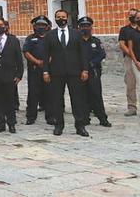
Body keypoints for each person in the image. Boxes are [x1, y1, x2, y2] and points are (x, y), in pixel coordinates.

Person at [42, 9, 90, 137]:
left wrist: (85, 69)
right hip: (56, 72)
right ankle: (59, 125)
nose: (61, 19)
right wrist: (45, 71)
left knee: (77, 99)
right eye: (58, 17)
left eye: (63, 17)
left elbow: (83, 53)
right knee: (57, 100)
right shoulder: (50, 35)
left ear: (67, 18)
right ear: (55, 19)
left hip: (75, 72)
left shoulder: (76, 34)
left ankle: (80, 126)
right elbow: (45, 55)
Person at [78, 17, 111, 127]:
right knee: (82, 95)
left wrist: (91, 64)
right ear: (79, 27)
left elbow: (101, 54)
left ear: (91, 27)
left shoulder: (96, 41)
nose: (85, 28)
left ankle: (102, 118)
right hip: (80, 72)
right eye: (83, 26)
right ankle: (84, 118)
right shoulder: (76, 41)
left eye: (87, 26)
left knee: (96, 95)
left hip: (93, 71)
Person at [23, 16, 52, 125]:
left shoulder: (50, 37)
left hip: (48, 69)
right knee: (33, 94)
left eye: (43, 25)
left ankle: (50, 117)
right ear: (35, 26)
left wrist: (48, 61)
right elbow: (26, 52)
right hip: (34, 70)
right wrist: (37, 61)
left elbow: (54, 51)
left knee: (49, 93)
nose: (41, 27)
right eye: (39, 25)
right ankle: (31, 117)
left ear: (47, 26)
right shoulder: (30, 38)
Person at [117, 9, 139, 117]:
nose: (132, 17)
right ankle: (132, 107)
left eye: (134, 15)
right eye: (130, 15)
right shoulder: (124, 30)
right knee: (130, 83)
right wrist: (131, 54)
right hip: (129, 59)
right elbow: (121, 44)